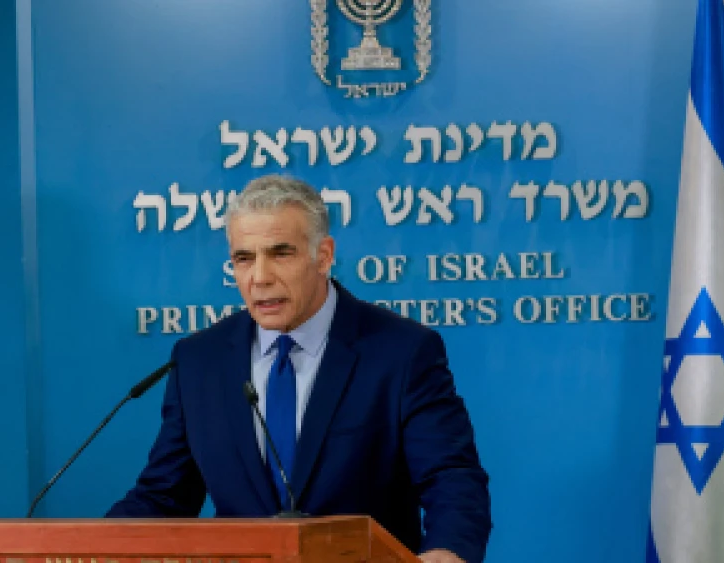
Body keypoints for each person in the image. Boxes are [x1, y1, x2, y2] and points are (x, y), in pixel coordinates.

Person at [106, 175, 491, 563]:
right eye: (244, 258)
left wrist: (447, 551)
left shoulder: (401, 352)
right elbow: (165, 496)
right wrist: (87, 550)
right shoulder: (200, 360)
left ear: (323, 255)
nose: (259, 277)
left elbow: (451, 477)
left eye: (280, 254)